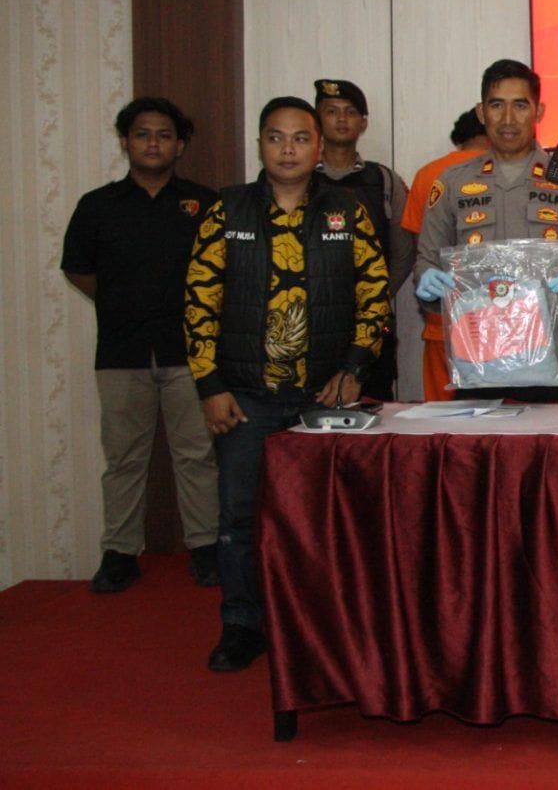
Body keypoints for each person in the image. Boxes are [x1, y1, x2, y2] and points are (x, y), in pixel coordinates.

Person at [185, 96, 391, 671]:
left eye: (301, 138)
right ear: (260, 145)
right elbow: (199, 301)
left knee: (327, 521)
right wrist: (209, 385)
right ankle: (242, 625)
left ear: (319, 147)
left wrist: (354, 370)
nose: (288, 149)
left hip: (323, 399)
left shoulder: (347, 210)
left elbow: (375, 297)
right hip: (244, 399)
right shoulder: (226, 210)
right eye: (275, 137)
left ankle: (326, 630)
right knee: (239, 519)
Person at [61, 97, 220, 593]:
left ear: (180, 145)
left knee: (196, 455)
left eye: (164, 135)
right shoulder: (97, 206)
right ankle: (120, 552)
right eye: (143, 134)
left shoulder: (204, 203)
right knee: (125, 459)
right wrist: (121, 302)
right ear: (125, 141)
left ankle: (206, 548)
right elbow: (77, 269)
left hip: (190, 353)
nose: (153, 143)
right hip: (121, 353)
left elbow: (224, 273)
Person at [414, 60, 558, 401]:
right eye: (497, 105)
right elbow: (427, 259)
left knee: (555, 438)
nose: (508, 119)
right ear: (481, 112)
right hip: (477, 352)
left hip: (556, 353)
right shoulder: (451, 183)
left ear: (539, 111)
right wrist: (428, 284)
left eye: (520, 105)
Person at [314, 78, 414, 400]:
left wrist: (375, 299)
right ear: (317, 119)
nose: (342, 119)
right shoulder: (299, 177)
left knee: (375, 410)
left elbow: (403, 253)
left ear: (363, 123)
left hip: (372, 325)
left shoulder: (384, 180)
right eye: (331, 111)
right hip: (311, 324)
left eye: (350, 112)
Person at [401, 109, 489, 401]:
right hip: (497, 322)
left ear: (460, 137)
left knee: (442, 416)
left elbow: (420, 249)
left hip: (442, 319)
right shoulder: (507, 172)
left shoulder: (429, 174)